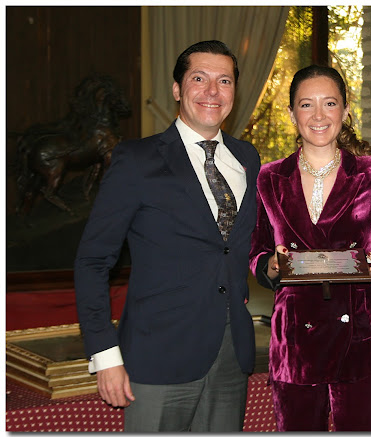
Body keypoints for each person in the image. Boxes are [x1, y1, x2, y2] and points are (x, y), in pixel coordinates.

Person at [74, 40, 261, 432]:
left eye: (224, 80)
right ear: (177, 89)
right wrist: (106, 355)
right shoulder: (136, 160)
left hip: (231, 356)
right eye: (199, 78)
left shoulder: (247, 158)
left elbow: (240, 249)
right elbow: (93, 262)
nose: (213, 91)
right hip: (157, 357)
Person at [249, 65, 371, 432]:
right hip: (295, 343)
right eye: (306, 105)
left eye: (329, 103)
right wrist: (271, 266)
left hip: (363, 340)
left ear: (345, 110)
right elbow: (256, 251)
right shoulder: (269, 177)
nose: (318, 116)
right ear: (291, 113)